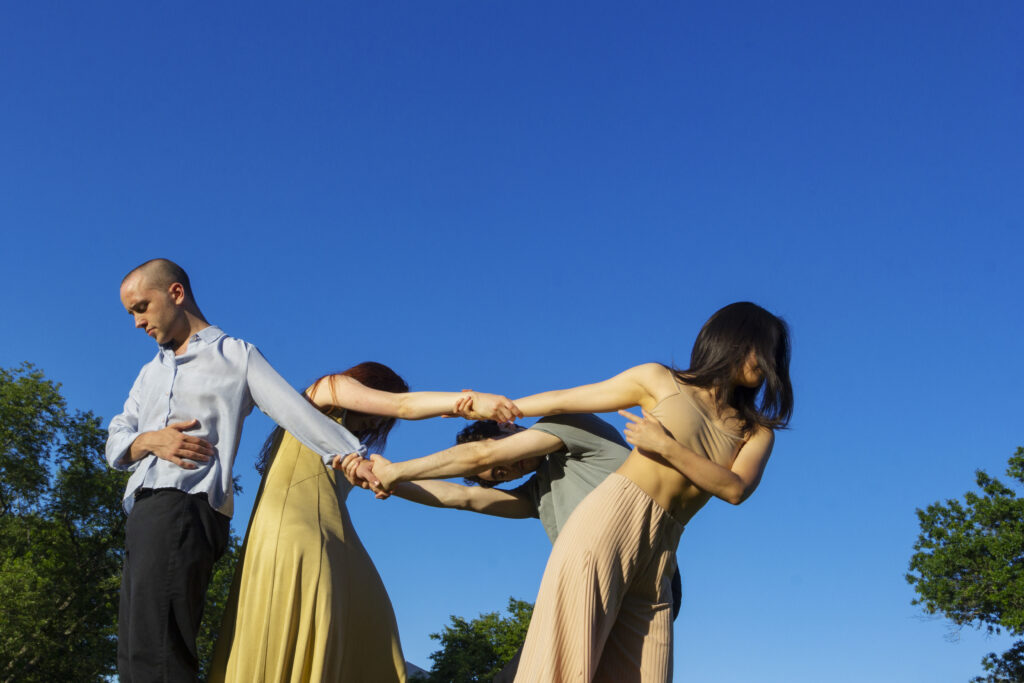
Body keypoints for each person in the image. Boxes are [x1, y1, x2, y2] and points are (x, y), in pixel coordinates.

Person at [105, 257, 519, 682]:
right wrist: (147, 440)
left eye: (140, 307)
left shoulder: (235, 357)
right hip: (145, 508)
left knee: (159, 646)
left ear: (176, 293)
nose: (137, 322)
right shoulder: (149, 374)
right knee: (137, 647)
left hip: (191, 504)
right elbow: (117, 434)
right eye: (132, 311)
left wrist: (359, 454)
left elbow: (297, 412)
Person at [503, 301, 792, 682]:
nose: (769, 361)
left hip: (663, 552)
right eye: (765, 348)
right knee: (564, 666)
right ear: (735, 340)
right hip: (612, 519)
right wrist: (497, 409)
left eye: (775, 354)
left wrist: (666, 446)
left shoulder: (756, 432)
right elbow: (564, 400)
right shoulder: (660, 380)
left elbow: (735, 489)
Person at [210, 363, 520, 683]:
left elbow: (455, 496)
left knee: (371, 635)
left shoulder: (349, 455)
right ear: (368, 385)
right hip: (296, 540)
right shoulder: (326, 390)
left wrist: (530, 504)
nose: (378, 420)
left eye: (384, 420)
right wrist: (467, 403)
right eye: (380, 406)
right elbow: (403, 405)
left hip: (337, 548)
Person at [343, 413, 681, 681]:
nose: (508, 470)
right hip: (597, 586)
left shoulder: (572, 429)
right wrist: (383, 479)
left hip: (642, 572)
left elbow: (484, 454)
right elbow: (463, 497)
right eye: (500, 475)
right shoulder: (537, 494)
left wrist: (397, 471)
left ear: (508, 428)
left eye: (504, 457)